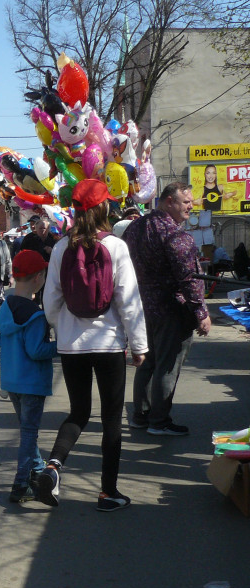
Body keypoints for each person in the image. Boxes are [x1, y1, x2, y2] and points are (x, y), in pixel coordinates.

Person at [36, 179, 148, 512]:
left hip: (73, 346)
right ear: (104, 208)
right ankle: (107, 492)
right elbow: (129, 300)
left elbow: (50, 300)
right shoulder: (115, 246)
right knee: (112, 418)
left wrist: (62, 328)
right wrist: (139, 344)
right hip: (109, 343)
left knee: (79, 411)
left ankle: (54, 466)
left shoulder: (60, 248)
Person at [122, 181, 211, 436]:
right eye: (186, 202)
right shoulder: (174, 234)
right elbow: (189, 278)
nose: (191, 207)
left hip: (141, 308)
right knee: (167, 365)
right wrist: (201, 313)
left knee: (148, 362)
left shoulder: (135, 228)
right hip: (170, 309)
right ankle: (159, 422)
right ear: (169, 201)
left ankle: (140, 416)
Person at [0, 250, 58, 503]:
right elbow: (37, 350)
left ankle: (38, 473)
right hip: (32, 382)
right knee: (29, 434)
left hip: (11, 379)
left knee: (27, 431)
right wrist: (61, 346)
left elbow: (1, 340)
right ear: (39, 278)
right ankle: (21, 483)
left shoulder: (6, 307)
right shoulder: (36, 315)